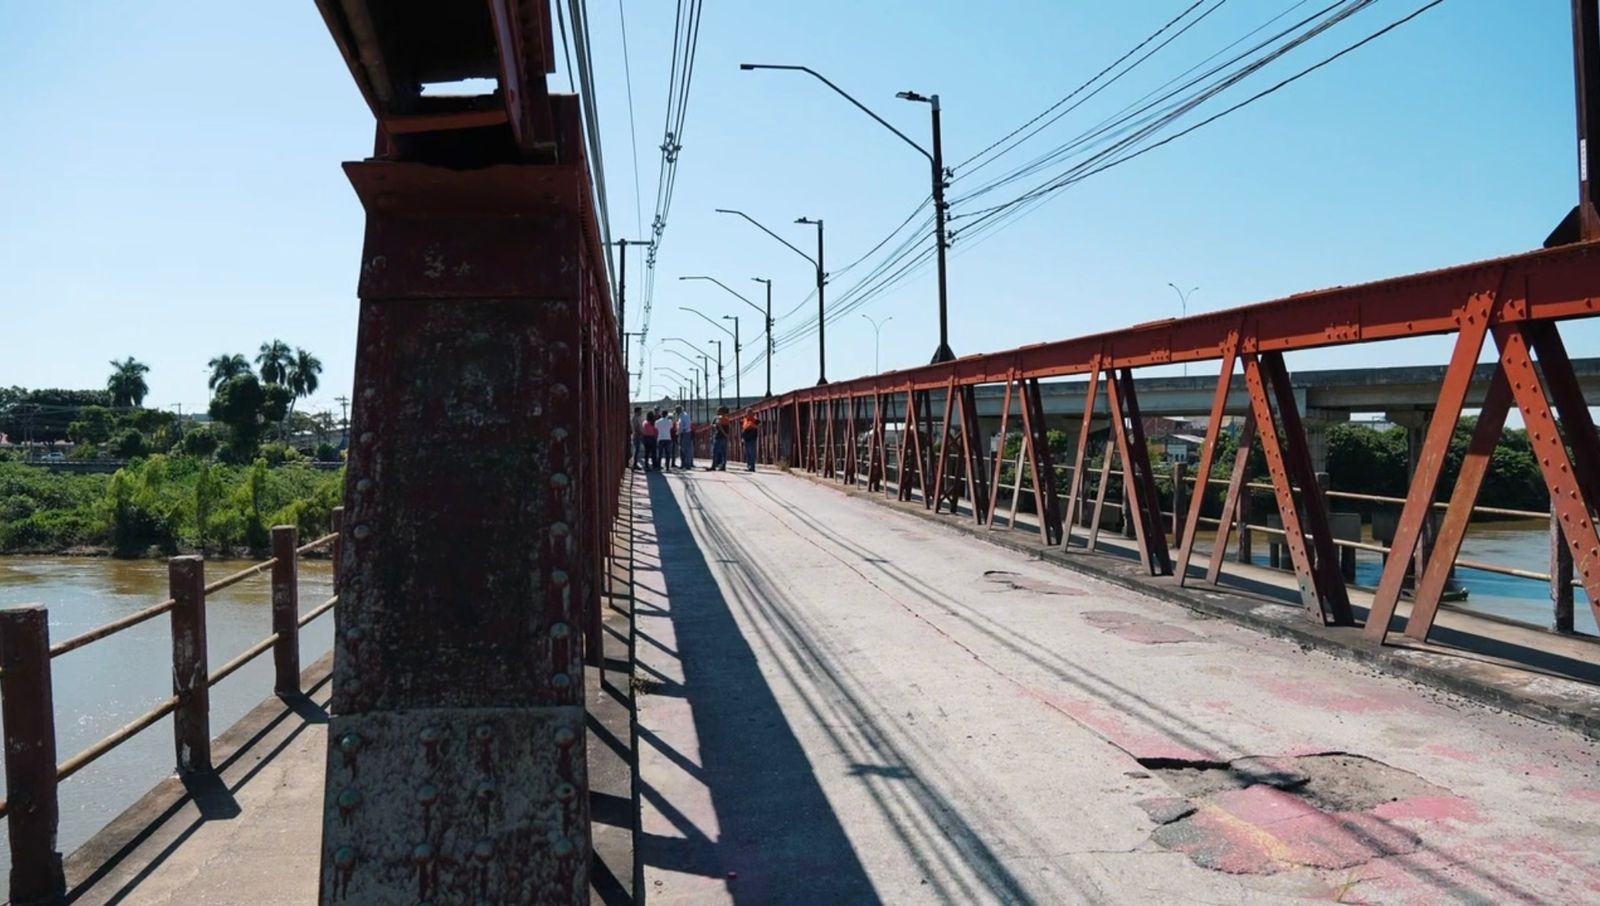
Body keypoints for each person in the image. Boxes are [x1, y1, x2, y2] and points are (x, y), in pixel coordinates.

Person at [709, 407, 731, 471]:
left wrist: (716, 426)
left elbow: (718, 425)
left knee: (715, 451)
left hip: (718, 436)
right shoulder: (726, 419)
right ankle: (723, 466)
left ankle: (713, 466)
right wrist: (727, 435)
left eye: (718, 411)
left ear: (721, 411)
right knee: (724, 452)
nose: (717, 412)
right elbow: (728, 427)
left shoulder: (719, 418)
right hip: (724, 437)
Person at [677, 405, 694, 470]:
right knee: (683, 449)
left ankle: (687, 464)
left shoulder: (684, 416)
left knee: (685, 449)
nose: (676, 411)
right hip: (683, 433)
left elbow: (686, 425)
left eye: (677, 410)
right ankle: (684, 464)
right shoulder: (682, 416)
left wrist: (681, 431)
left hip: (685, 433)